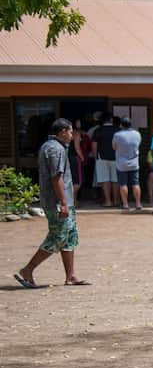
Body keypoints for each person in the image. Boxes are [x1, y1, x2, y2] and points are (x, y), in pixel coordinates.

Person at [14, 118, 90, 288]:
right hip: (57, 201)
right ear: (62, 132)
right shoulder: (55, 149)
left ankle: (70, 276)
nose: (72, 135)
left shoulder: (53, 147)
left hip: (64, 200)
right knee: (58, 237)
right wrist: (63, 202)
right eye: (70, 132)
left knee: (70, 237)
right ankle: (28, 270)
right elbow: (57, 177)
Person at [112, 117, 143, 212]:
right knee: (135, 183)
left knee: (123, 184)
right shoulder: (137, 134)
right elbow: (138, 145)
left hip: (121, 163)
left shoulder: (117, 135)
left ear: (121, 125)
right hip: (134, 162)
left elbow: (114, 147)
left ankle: (125, 204)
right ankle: (138, 203)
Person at [91, 114, 119, 207]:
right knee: (115, 180)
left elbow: (94, 145)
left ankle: (108, 201)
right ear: (111, 119)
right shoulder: (118, 130)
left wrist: (96, 158)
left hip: (101, 158)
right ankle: (116, 201)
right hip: (116, 158)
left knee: (105, 180)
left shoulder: (98, 130)